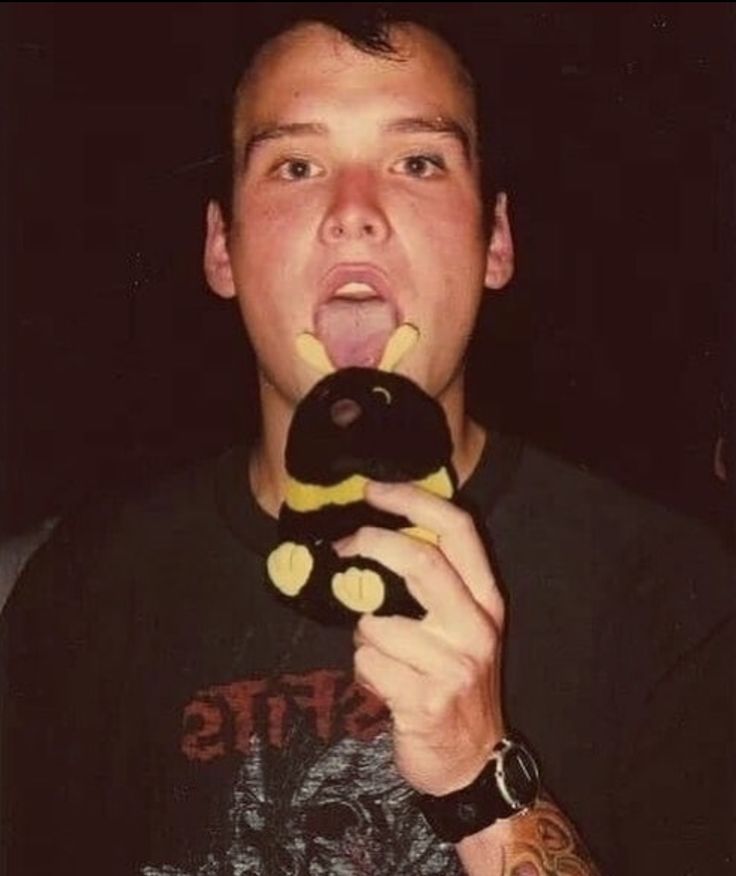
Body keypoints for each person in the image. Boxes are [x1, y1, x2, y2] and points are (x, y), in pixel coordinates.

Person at [2, 7, 733, 875]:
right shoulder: (85, 590)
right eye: (297, 165)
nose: (355, 212)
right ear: (221, 249)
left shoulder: (672, 595)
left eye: (417, 161)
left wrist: (481, 782)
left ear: (494, 241)